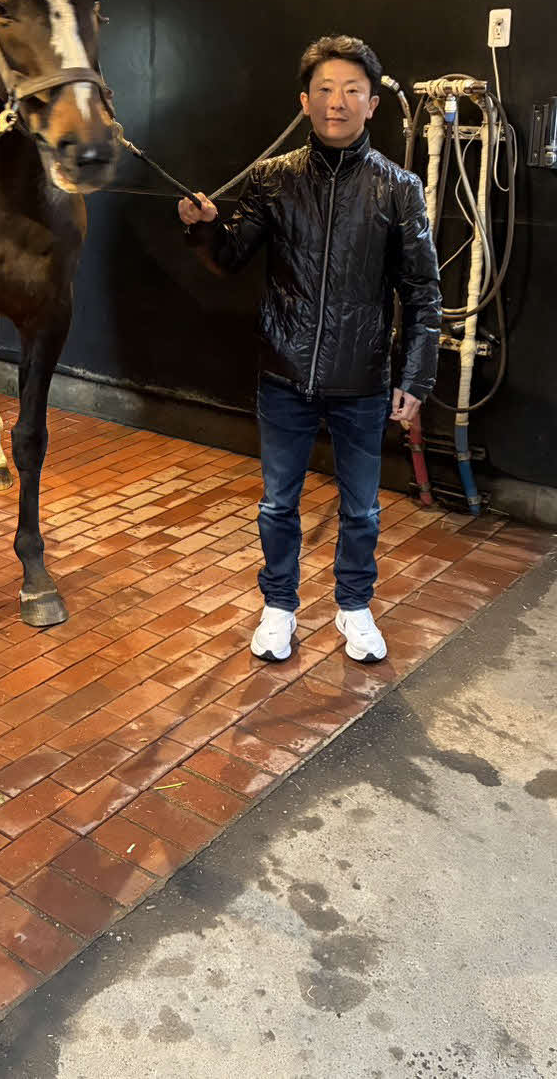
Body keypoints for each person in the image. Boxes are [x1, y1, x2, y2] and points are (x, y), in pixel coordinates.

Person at [178, 35, 441, 667]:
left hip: (364, 378)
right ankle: (279, 607)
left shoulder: (398, 188)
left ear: (372, 104)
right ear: (304, 101)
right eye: (324, 90)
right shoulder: (274, 179)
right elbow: (230, 258)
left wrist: (417, 374)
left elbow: (423, 290)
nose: (337, 102)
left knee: (362, 509)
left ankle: (354, 607)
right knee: (277, 502)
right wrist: (202, 226)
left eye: (352, 90)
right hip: (284, 372)